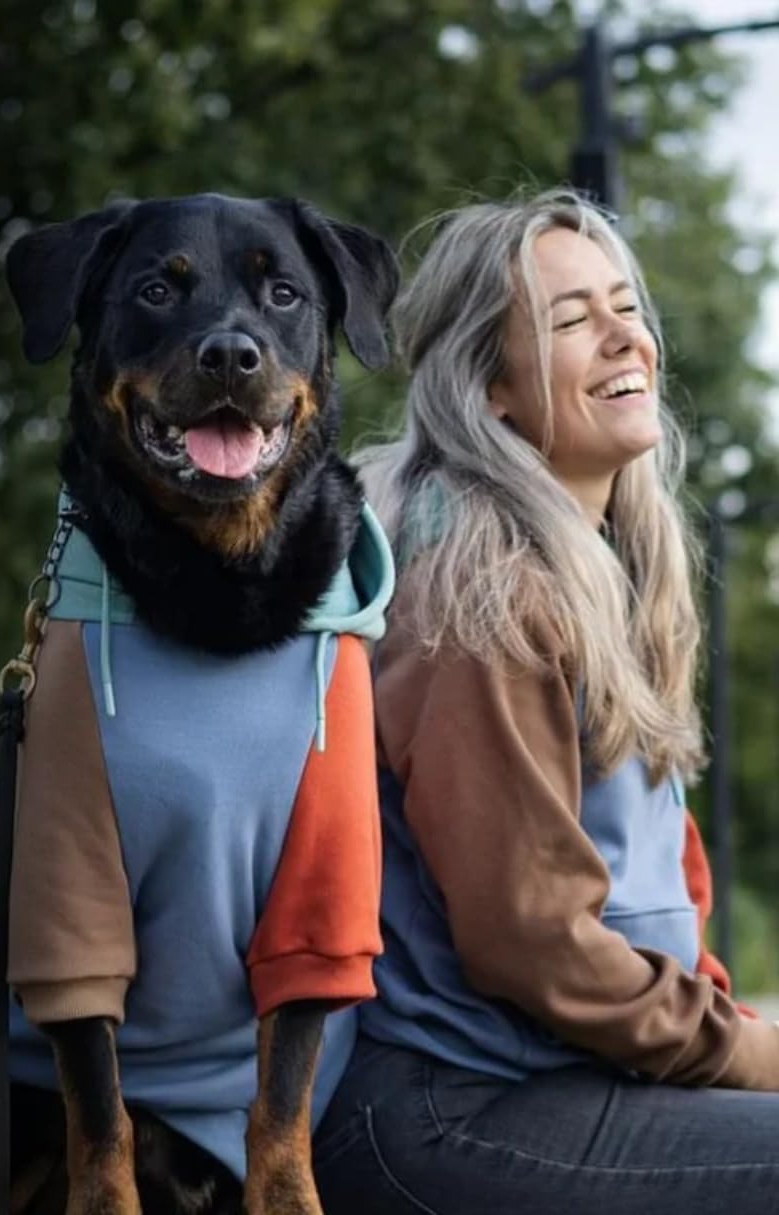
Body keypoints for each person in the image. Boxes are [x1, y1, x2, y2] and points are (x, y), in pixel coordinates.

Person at [311, 188, 779, 1215]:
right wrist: (743, 1049)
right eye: (571, 321)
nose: (627, 337)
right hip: (448, 1109)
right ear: (490, 392)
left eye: (626, 306)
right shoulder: (483, 592)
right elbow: (532, 938)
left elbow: (652, 876)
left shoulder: (601, 569)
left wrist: (722, 1016)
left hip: (549, 1083)